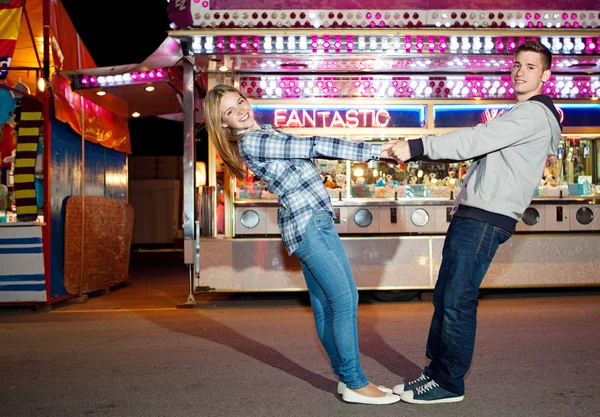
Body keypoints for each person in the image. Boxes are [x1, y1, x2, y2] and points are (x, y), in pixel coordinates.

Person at [384, 40, 562, 404]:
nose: (519, 71)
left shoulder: (530, 115)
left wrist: (416, 146)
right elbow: (478, 150)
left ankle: (449, 383)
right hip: (475, 213)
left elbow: (474, 139)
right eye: (516, 64)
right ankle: (435, 373)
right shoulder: (519, 114)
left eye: (530, 66)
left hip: (486, 217)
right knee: (446, 295)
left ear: (545, 76)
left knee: (457, 300)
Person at [203, 84, 400, 405]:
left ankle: (346, 379)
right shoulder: (257, 140)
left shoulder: (264, 133)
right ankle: (355, 382)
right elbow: (316, 144)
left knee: (326, 305)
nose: (240, 110)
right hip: (308, 225)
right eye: (229, 111)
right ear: (223, 123)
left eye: (239, 101)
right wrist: (376, 151)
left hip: (310, 223)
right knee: (344, 300)